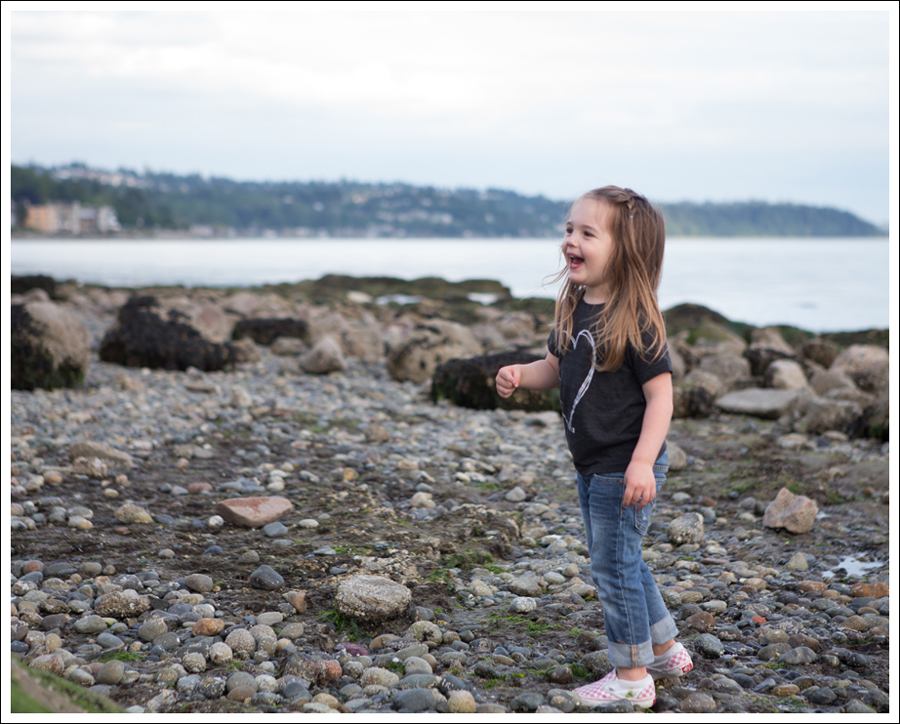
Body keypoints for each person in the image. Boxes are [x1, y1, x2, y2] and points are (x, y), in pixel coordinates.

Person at [495, 185, 692, 708]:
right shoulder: (575, 306)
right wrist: (521, 373)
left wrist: (643, 463)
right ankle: (665, 647)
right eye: (568, 230)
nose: (570, 241)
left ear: (625, 250)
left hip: (625, 465)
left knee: (612, 567)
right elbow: (556, 368)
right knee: (624, 558)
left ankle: (631, 676)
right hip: (592, 463)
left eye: (587, 233)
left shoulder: (637, 319)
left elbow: (661, 399)